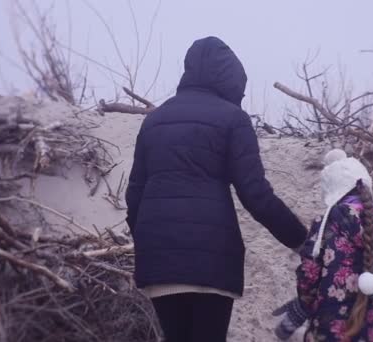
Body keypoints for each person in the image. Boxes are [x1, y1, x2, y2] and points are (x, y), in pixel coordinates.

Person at [125, 36, 308, 342]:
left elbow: (135, 197)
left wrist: (150, 244)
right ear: (232, 80)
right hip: (211, 263)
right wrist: (302, 241)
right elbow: (255, 194)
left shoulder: (154, 121)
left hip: (159, 262)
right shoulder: (233, 119)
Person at [273, 149, 373, 342]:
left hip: (329, 327)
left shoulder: (328, 224)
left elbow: (309, 273)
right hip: (372, 330)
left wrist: (302, 306)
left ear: (331, 190)